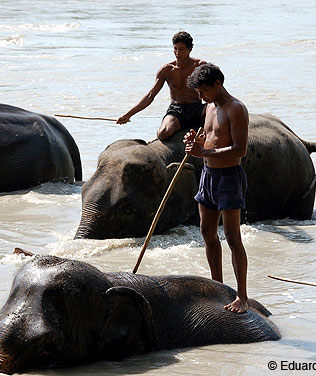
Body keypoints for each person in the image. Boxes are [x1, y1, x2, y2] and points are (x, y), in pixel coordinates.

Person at [183, 63, 250, 314]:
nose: (201, 97)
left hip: (229, 176)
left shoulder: (236, 108)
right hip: (208, 174)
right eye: (198, 93)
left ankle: (241, 296)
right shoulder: (209, 107)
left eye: (203, 92)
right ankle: (217, 287)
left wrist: (205, 151)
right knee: (207, 232)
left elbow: (239, 148)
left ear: (218, 84)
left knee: (233, 237)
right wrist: (195, 142)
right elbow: (209, 136)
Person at [117, 31, 206, 140]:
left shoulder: (200, 66)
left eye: (181, 49)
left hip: (197, 107)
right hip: (177, 109)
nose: (177, 53)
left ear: (190, 49)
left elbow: (216, 90)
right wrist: (128, 115)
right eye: (175, 49)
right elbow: (150, 96)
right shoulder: (167, 70)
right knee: (163, 133)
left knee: (216, 119)